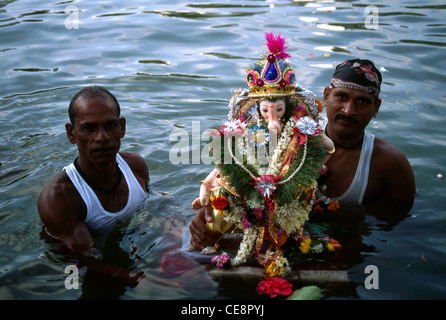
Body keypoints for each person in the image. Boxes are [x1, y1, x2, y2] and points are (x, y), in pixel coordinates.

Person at [189, 58, 416, 250]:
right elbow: (233, 175)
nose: (349, 110)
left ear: (376, 107)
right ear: (326, 96)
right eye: (342, 97)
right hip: (271, 240)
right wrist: (211, 211)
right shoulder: (289, 133)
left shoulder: (389, 162)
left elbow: (401, 232)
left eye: (363, 102)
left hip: (331, 246)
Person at [37, 85, 150, 253]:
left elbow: (160, 205)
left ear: (122, 128)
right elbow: (90, 261)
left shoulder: (135, 165)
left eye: (110, 125)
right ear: (71, 133)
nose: (102, 137)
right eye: (89, 128)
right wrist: (151, 277)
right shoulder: (59, 198)